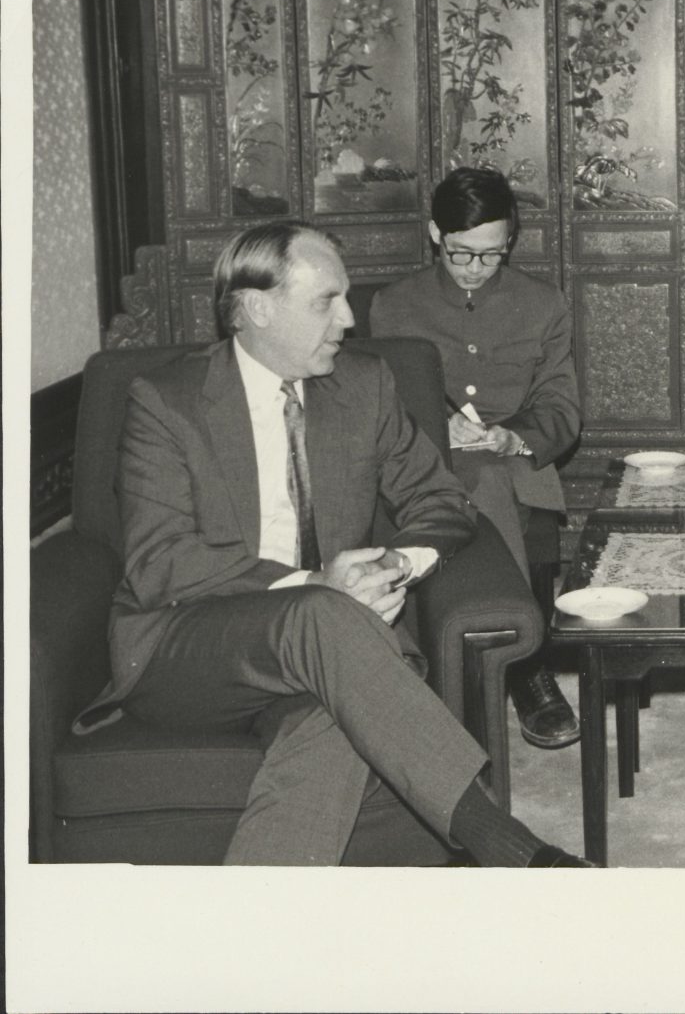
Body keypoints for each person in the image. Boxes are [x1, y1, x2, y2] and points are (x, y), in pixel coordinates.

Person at [72, 221, 589, 867]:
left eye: (346, 297)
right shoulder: (167, 402)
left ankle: (263, 938)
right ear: (258, 307)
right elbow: (159, 563)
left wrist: (399, 562)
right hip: (187, 649)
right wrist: (318, 584)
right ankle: (511, 849)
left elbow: (442, 499)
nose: (349, 317)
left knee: (338, 721)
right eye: (326, 300)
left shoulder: (364, 387)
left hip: (330, 655)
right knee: (323, 614)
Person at [371, 167, 582, 750]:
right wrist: (436, 429)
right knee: (476, 482)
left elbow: (561, 407)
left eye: (492, 256)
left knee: (490, 476)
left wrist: (514, 438)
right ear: (436, 234)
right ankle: (527, 667)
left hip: (514, 466)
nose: (475, 269)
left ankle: (518, 663)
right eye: (462, 253)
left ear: (509, 241)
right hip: (421, 464)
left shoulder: (543, 305)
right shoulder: (395, 305)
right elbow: (381, 404)